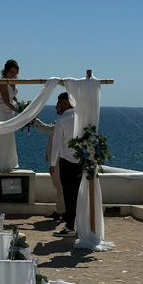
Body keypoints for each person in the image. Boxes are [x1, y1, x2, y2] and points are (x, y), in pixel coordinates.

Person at [50, 92, 81, 237]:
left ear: (65, 103)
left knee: (69, 196)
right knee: (79, 195)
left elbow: (56, 145)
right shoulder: (81, 117)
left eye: (60, 103)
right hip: (81, 162)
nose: (58, 106)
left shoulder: (62, 120)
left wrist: (52, 164)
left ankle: (70, 226)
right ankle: (80, 226)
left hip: (66, 162)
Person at [33, 103, 65, 221]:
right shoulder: (63, 120)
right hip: (59, 159)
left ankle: (61, 211)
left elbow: (47, 129)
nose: (56, 107)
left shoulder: (61, 122)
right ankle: (61, 210)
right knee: (60, 186)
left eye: (58, 105)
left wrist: (34, 120)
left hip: (58, 160)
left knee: (60, 186)